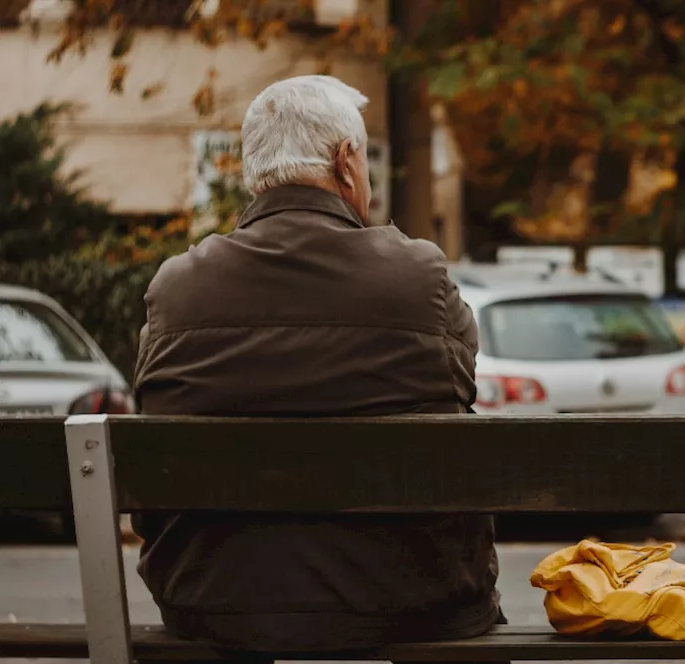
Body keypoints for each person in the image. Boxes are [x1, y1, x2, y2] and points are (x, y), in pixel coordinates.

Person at [131, 75, 501, 656]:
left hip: (216, 601)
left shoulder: (177, 288)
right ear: (347, 161)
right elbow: (460, 385)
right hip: (411, 599)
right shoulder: (417, 277)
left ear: (254, 172)